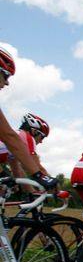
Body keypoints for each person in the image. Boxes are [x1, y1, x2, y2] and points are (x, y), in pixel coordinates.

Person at [0, 46, 57, 190]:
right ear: (36, 132)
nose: (7, 83)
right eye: (6, 76)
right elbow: (8, 136)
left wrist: (32, 193)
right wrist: (40, 175)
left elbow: (18, 172)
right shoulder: (26, 138)